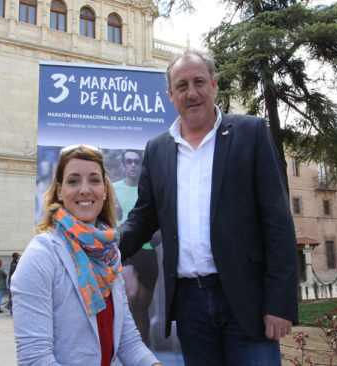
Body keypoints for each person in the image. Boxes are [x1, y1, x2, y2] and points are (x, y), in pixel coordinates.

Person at [120, 51, 298, 365]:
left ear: (214, 85)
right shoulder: (157, 149)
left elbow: (277, 222)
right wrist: (106, 246)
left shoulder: (251, 134)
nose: (192, 93)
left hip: (247, 300)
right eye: (182, 85)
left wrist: (280, 303)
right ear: (170, 95)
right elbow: (144, 216)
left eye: (199, 82)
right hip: (190, 305)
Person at [11, 145, 161, 366]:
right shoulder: (41, 256)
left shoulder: (109, 254)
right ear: (59, 191)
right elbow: (35, 359)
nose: (85, 189)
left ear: (105, 190)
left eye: (94, 180)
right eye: (73, 181)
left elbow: (128, 342)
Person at [113, 149, 158, 345]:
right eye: (129, 162)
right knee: (131, 293)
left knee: (142, 308)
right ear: (123, 165)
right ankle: (125, 342)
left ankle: (143, 351)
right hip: (125, 249)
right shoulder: (113, 189)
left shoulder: (149, 190)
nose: (133, 165)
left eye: (136, 162)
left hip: (148, 251)